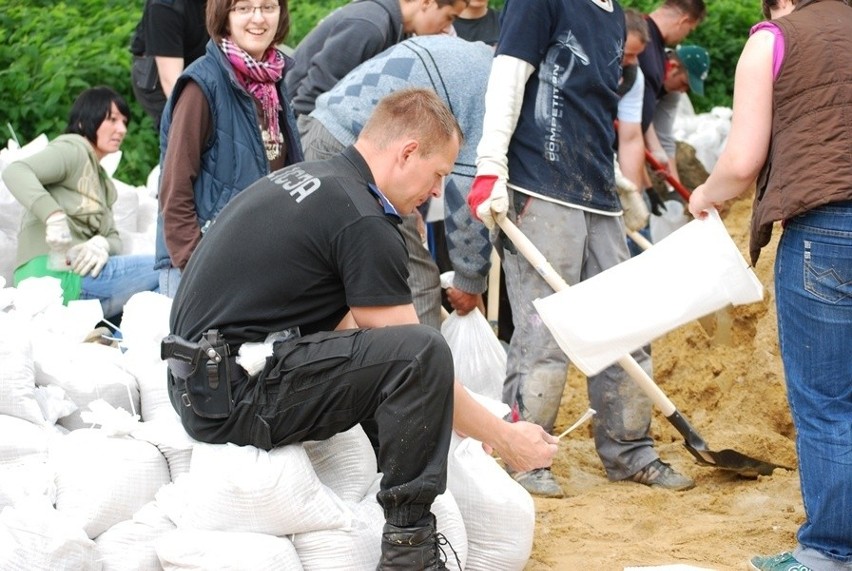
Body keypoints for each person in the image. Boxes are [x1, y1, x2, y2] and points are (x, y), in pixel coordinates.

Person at [165, 88, 558, 569]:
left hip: (199, 383)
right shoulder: (364, 219)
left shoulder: (314, 178)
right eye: (437, 174)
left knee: (401, 358)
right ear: (407, 151)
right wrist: (505, 437)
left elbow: (363, 339)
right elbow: (416, 362)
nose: (436, 192)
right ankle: (408, 550)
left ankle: (387, 486)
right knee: (424, 351)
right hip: (235, 394)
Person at [467, 0, 695, 498]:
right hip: (541, 187)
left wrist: (616, 181)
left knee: (627, 328)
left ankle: (630, 450)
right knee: (544, 334)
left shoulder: (613, 14)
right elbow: (508, 75)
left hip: (596, 193)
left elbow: (590, 111)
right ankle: (524, 457)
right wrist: (490, 164)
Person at [687, 1, 852, 569]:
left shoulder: (773, 39)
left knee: (829, 403)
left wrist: (705, 196)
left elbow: (741, 160)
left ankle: (832, 552)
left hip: (826, 231)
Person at [301, 35, 494, 327]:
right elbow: (468, 192)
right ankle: (423, 369)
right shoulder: (490, 87)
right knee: (413, 277)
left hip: (323, 131)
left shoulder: (465, 53)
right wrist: (470, 280)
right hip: (350, 147)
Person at [155, 0, 303, 297]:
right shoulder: (202, 85)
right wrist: (197, 264)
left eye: (268, 7)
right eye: (244, 8)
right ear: (224, 17)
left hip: (255, 263)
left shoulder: (273, 81)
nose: (258, 18)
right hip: (201, 269)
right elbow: (174, 188)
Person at [2, 86, 159, 321]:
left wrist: (101, 244)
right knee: (169, 269)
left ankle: (118, 341)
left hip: (79, 279)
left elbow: (113, 236)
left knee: (150, 299)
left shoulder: (105, 185)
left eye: (124, 122)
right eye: (112, 120)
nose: (122, 129)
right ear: (86, 121)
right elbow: (16, 172)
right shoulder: (73, 149)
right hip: (51, 277)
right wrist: (53, 215)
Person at [285, 0, 469, 133]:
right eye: (449, 17)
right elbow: (312, 93)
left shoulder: (396, 29)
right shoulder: (370, 25)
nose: (447, 28)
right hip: (293, 122)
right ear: (427, 3)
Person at [129, 0, 209, 128]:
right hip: (160, 78)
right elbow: (171, 82)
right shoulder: (164, 6)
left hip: (200, 63)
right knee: (184, 129)